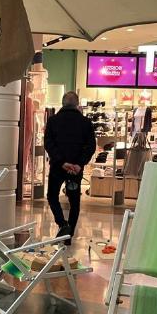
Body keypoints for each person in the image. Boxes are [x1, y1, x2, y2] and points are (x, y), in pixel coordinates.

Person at [43, 91, 96, 244]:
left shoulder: (53, 120)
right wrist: (79, 164)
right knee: (74, 200)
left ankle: (62, 223)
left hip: (58, 168)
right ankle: (69, 235)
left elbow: (49, 143)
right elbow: (91, 146)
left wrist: (61, 162)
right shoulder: (85, 122)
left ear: (62, 103)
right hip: (75, 170)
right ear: (77, 104)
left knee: (52, 195)